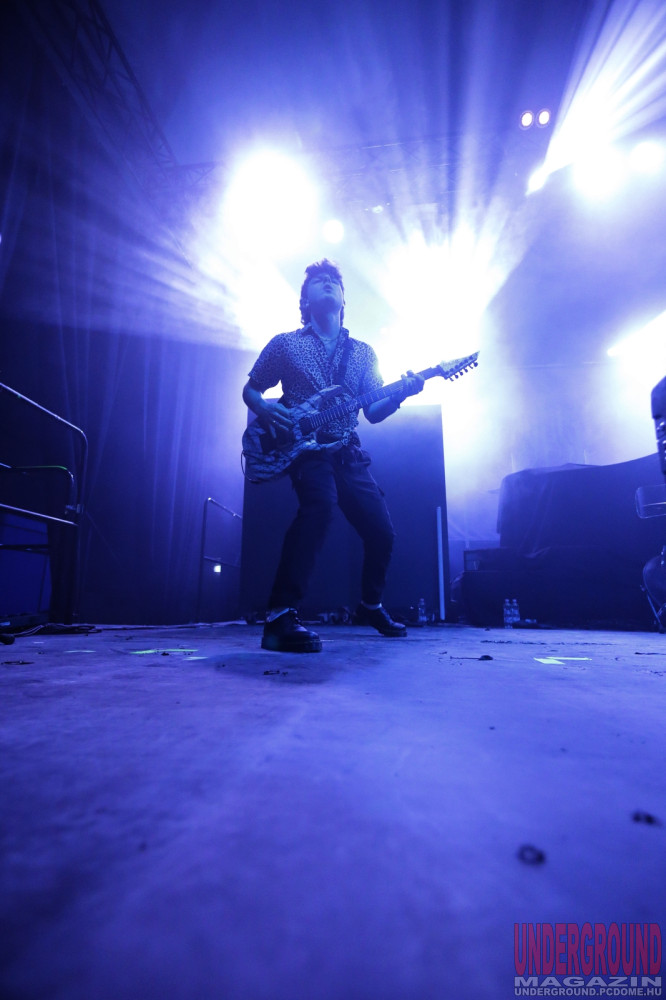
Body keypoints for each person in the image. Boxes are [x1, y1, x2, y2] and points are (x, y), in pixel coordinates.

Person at [242, 259, 424, 652]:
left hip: (345, 448)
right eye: (318, 281)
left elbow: (373, 411)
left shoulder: (363, 353)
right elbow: (251, 390)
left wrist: (402, 394)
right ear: (304, 301)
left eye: (333, 281)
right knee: (320, 508)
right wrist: (264, 409)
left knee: (381, 531)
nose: (327, 283)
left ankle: (370, 606)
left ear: (344, 299)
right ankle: (279, 616)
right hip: (305, 449)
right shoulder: (285, 344)